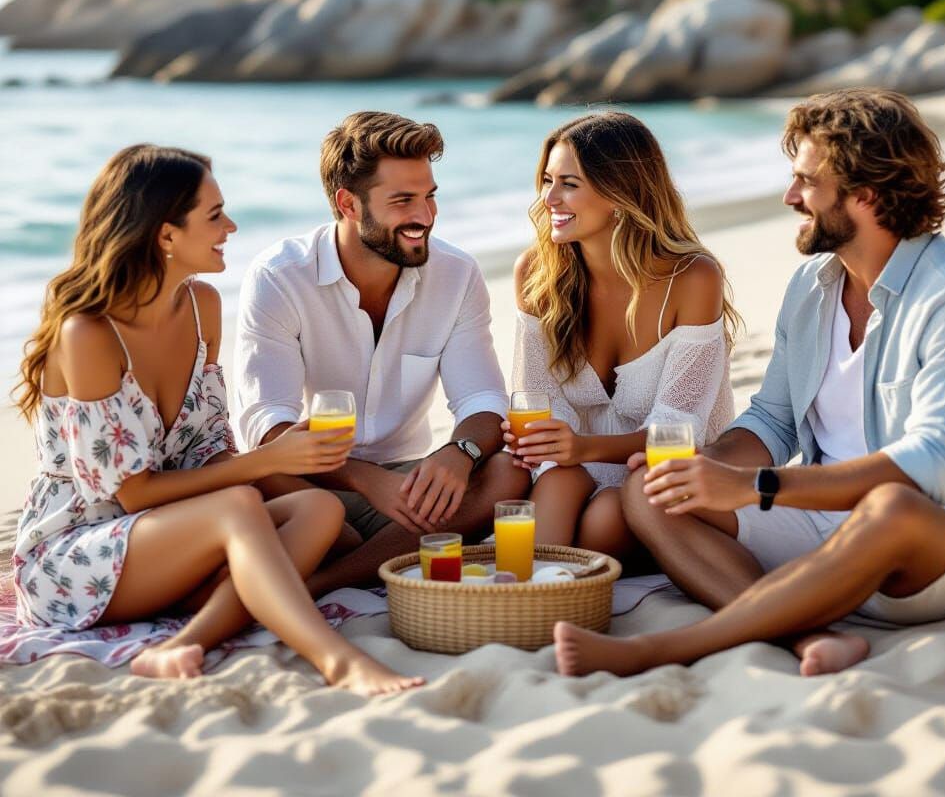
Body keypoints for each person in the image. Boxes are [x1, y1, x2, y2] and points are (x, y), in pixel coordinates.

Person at [553, 88, 945, 679]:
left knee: (892, 506)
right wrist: (709, 469)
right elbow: (773, 420)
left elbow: (933, 466)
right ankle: (808, 632)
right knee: (653, 486)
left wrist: (754, 486)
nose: (789, 196)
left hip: (938, 552)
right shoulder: (813, 286)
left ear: (865, 194)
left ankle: (665, 649)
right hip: (820, 532)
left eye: (807, 182)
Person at [11, 145, 422, 696]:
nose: (230, 226)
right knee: (239, 504)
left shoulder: (202, 306)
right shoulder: (89, 334)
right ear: (165, 235)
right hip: (77, 557)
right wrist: (267, 462)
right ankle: (336, 659)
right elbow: (132, 495)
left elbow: (210, 452)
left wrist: (297, 465)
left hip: (174, 537)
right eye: (213, 215)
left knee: (319, 507)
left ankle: (185, 642)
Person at [235, 111, 529, 593]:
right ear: (348, 204)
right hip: (312, 480)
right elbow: (269, 427)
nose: (425, 217)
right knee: (251, 476)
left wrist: (461, 451)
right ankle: (392, 553)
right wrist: (363, 478)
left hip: (411, 481)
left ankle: (324, 582)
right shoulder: (279, 278)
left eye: (430, 197)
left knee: (507, 472)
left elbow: (482, 401)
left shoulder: (456, 274)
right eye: (403, 201)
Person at [504, 112, 739, 558]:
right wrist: (549, 448)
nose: (548, 198)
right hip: (575, 467)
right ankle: (522, 600)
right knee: (555, 486)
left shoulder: (691, 278)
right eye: (547, 180)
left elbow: (679, 431)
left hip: (661, 470)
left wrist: (580, 448)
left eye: (569, 184)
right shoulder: (536, 273)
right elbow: (536, 404)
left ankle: (547, 582)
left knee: (607, 516)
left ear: (620, 192)